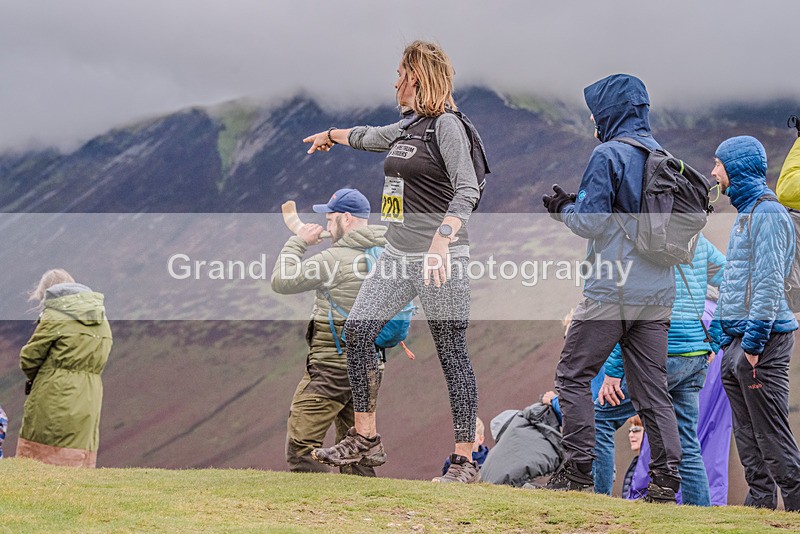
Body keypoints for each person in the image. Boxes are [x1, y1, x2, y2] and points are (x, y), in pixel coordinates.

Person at [303, 40, 485, 483]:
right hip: (398, 255)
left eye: (400, 75)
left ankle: (464, 461)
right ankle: (366, 438)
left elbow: (467, 189)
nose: (395, 83)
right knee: (359, 330)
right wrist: (331, 135)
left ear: (416, 78)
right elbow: (368, 137)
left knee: (451, 352)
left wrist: (442, 239)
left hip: (441, 258)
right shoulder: (407, 128)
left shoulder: (446, 127)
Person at [540, 73, 682, 502]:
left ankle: (578, 471)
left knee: (572, 376)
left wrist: (564, 208)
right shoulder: (663, 157)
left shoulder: (608, 154)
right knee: (652, 390)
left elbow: (591, 222)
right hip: (657, 294)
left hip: (610, 292)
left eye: (595, 111)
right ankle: (666, 482)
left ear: (611, 112)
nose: (592, 119)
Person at [599, 234, 726, 506]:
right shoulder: (698, 240)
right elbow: (733, 280)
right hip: (694, 355)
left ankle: (596, 503)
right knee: (686, 441)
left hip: (660, 354)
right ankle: (699, 518)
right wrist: (713, 338)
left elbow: (632, 309)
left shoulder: (649, 237)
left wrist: (614, 369)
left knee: (600, 417)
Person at [271, 188, 388, 476]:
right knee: (357, 450)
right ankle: (365, 503)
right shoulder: (386, 254)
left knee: (302, 447)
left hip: (331, 367)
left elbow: (282, 281)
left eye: (330, 218)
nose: (326, 224)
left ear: (346, 219)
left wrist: (298, 241)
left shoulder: (333, 259)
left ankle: (318, 504)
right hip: (370, 367)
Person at [712, 135, 800, 511]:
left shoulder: (769, 214)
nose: (713, 172)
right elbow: (734, 280)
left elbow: (768, 283)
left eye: (718, 164)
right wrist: (722, 335)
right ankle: (760, 505)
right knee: (747, 435)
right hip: (738, 341)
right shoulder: (747, 214)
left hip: (762, 341)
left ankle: (795, 506)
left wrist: (752, 344)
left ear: (736, 168)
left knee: (771, 433)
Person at [16, 269, 112, 467]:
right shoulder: (101, 318)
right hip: (90, 395)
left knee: (40, 458)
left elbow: (29, 358)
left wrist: (43, 376)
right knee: (77, 455)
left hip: (54, 392)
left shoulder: (55, 316)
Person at [622, 416, 644, 499]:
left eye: (636, 430)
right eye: (630, 431)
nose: (630, 435)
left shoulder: (653, 464)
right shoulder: (636, 462)